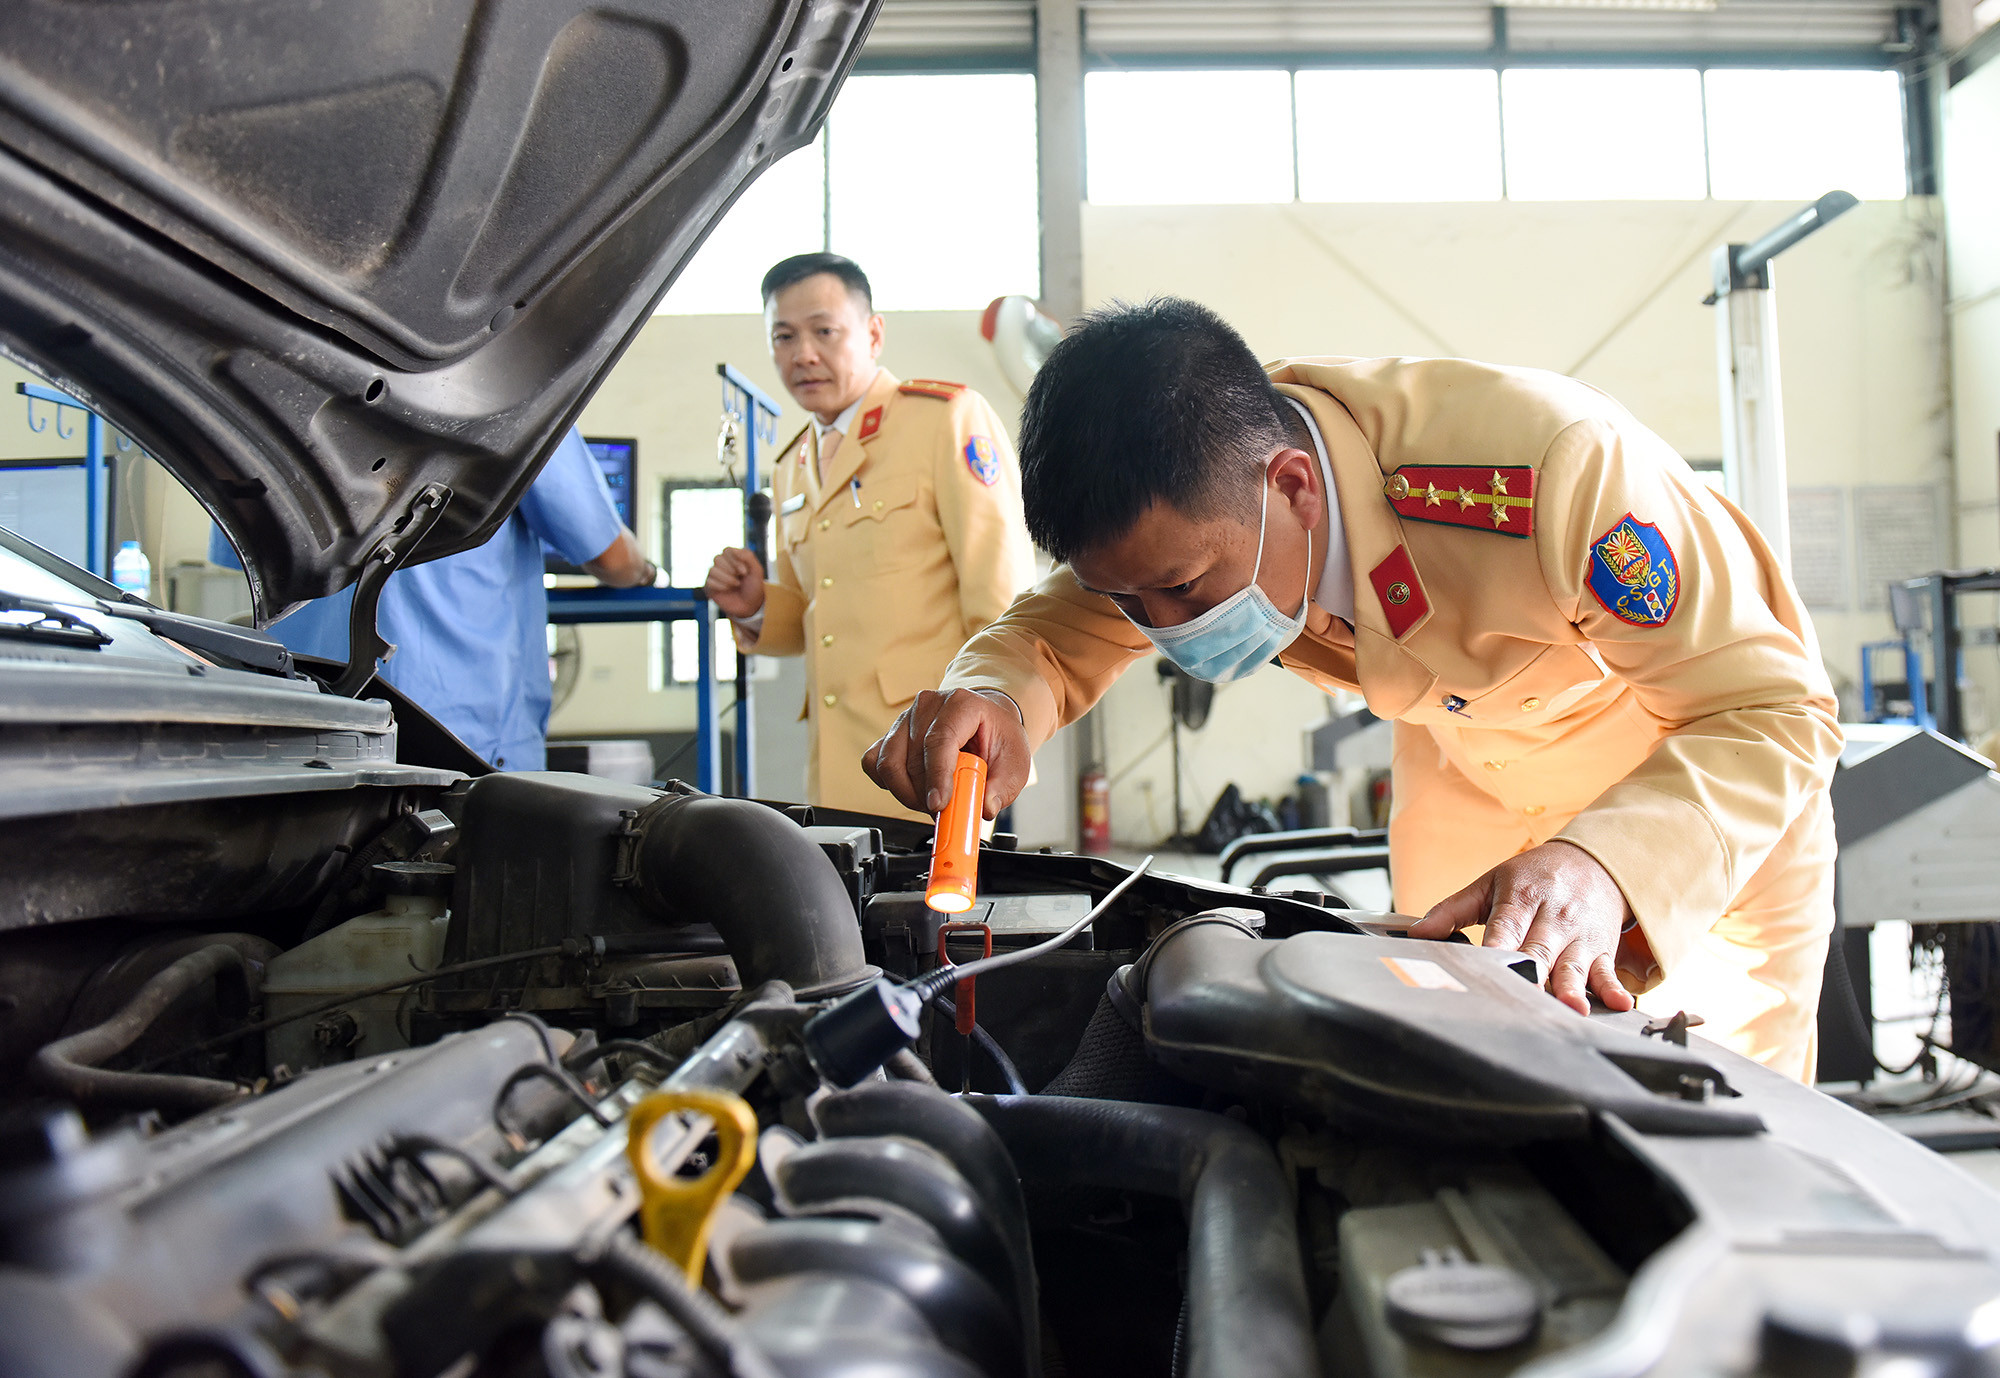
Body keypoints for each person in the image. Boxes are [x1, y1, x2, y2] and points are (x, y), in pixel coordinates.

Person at [863, 298, 1841, 1081]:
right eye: (1129, 599)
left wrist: (1605, 863)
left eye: (1183, 589)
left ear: (1292, 487)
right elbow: (1045, 634)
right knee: (1457, 1072)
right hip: (1473, 778)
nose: (1159, 628)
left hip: (1699, 802)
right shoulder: (1195, 502)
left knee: (1718, 1114)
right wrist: (988, 694)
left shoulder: (1548, 475)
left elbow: (1773, 710)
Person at [704, 253, 1035, 818]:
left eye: (824, 331)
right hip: (836, 764)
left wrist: (999, 720)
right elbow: (813, 613)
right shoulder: (791, 467)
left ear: (874, 334)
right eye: (784, 336)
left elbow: (1000, 595)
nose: (803, 354)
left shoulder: (943, 420)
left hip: (932, 756)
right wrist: (756, 605)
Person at [211, 427, 654, 770]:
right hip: (453, 735)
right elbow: (612, 559)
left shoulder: (277, 393)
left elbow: (241, 554)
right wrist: (646, 572)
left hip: (303, 722)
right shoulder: (513, 383)